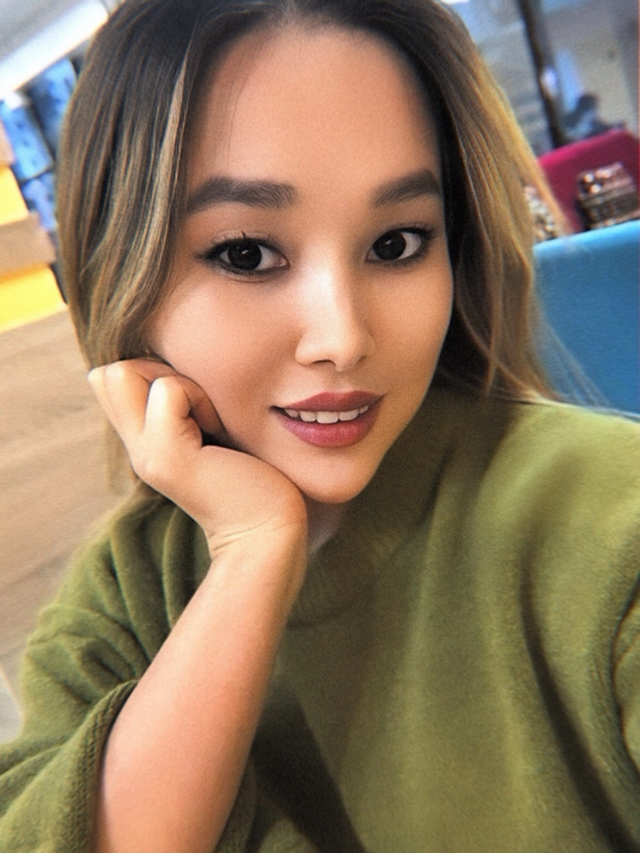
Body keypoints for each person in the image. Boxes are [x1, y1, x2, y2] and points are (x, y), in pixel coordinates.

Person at [1, 0, 639, 850]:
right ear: (123, 270)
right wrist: (252, 550)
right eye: (246, 253)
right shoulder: (126, 591)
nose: (342, 337)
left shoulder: (610, 521)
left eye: (397, 243)